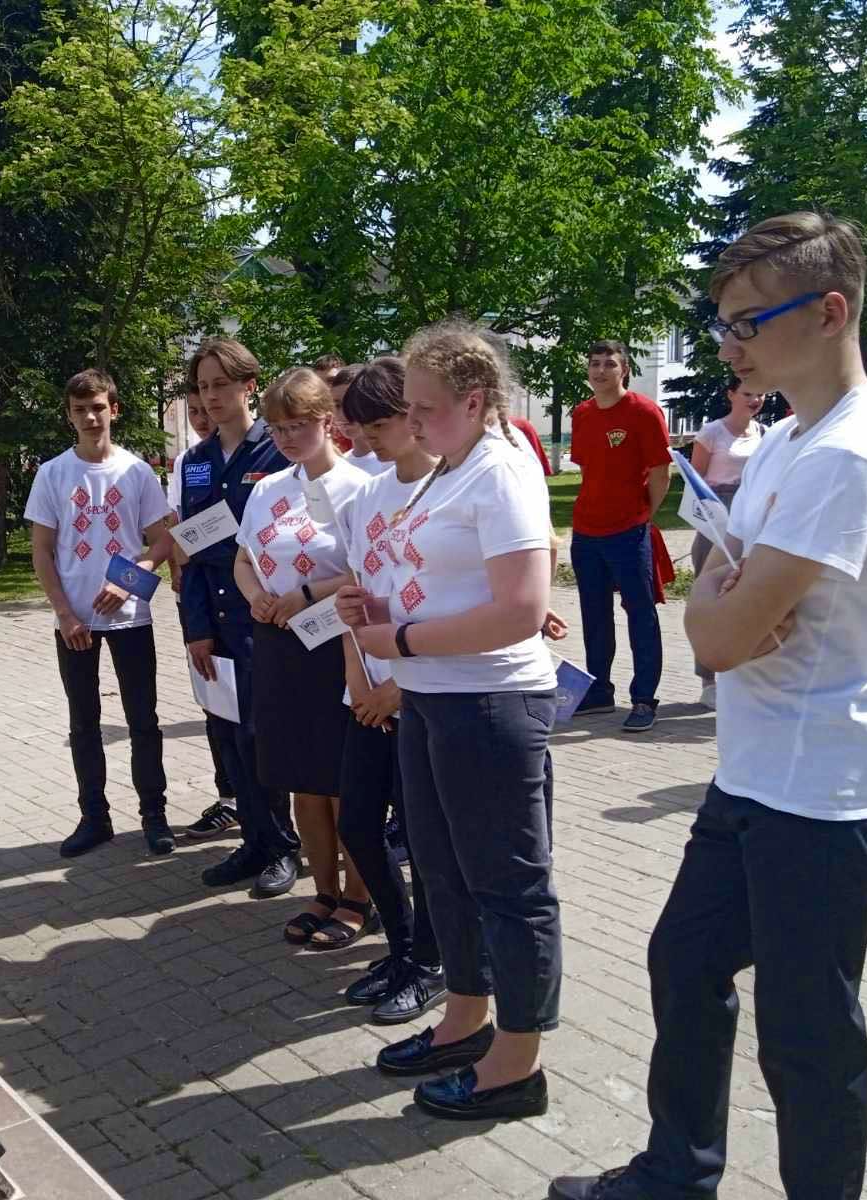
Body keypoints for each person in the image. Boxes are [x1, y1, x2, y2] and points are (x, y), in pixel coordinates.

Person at [550, 212, 867, 1200]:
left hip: (824, 793)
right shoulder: (790, 439)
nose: (729, 346)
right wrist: (723, 599)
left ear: (830, 312)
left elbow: (715, 638)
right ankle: (677, 1173)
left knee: (806, 1038)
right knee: (684, 961)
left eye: (748, 323)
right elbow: (717, 593)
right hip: (755, 774)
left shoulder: (850, 454)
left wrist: (719, 604)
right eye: (723, 324)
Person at [338, 320, 560, 1124]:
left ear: (473, 401)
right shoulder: (447, 472)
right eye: (410, 407)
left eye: (425, 408)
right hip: (434, 697)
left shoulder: (501, 472)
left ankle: (517, 1064)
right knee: (442, 870)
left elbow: (521, 610)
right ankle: (465, 1020)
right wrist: (371, 608)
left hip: (491, 701)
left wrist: (397, 639)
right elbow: (440, 581)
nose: (413, 421)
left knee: (509, 884)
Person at [235, 367, 374, 947]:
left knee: (344, 782)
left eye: (298, 425)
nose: (287, 438)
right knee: (301, 781)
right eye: (277, 428)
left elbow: (369, 569)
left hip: (336, 648)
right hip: (278, 645)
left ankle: (360, 897)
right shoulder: (267, 488)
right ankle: (323, 890)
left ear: (327, 421)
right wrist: (257, 596)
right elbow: (244, 559)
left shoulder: (361, 487)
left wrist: (308, 593)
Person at [333, 356, 447, 1022]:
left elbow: (454, 607)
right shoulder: (365, 499)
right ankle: (402, 947)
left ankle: (433, 962)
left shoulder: (447, 490)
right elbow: (353, 597)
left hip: (423, 694)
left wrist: (397, 691)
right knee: (357, 823)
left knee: (426, 840)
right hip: (368, 691)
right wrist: (358, 680)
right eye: (359, 426)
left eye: (376, 425)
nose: (365, 438)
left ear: (412, 414)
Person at [24, 368, 176, 856]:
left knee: (143, 719)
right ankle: (94, 817)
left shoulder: (136, 471)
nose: (90, 418)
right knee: (83, 722)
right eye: (80, 410)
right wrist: (64, 613)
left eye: (97, 408)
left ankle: (154, 816)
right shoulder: (52, 473)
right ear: (69, 416)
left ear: (114, 409)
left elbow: (162, 541)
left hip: (130, 618)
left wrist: (128, 580)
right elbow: (42, 550)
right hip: (76, 621)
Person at [181, 338, 299, 897]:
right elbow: (190, 551)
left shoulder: (276, 452)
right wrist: (196, 629)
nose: (211, 396)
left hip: (266, 616)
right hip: (218, 618)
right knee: (228, 735)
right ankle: (253, 841)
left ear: (249, 385)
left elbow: (284, 540)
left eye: (221, 384)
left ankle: (282, 846)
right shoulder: (196, 462)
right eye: (203, 387)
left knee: (263, 736)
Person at [568, 341, 671, 731]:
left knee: (640, 614)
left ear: (624, 369)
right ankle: (599, 692)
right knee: (594, 615)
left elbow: (661, 473)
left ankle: (644, 698)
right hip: (586, 531)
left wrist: (642, 515)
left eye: (609, 364)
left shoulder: (644, 411)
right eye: (594, 363)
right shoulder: (582, 413)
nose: (600, 371)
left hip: (628, 532)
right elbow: (588, 470)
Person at [170, 376, 239, 840]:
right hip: (205, 607)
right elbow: (182, 538)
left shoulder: (268, 452)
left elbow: (243, 535)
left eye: (215, 394)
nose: (203, 414)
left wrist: (200, 545)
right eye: (194, 408)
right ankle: (234, 804)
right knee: (219, 712)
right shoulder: (190, 462)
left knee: (259, 724)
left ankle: (276, 830)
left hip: (257, 609)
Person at [687, 381, 766, 708]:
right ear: (731, 395)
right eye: (748, 393)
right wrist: (709, 518)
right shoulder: (712, 433)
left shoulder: (764, 433)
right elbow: (694, 480)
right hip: (716, 518)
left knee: (748, 596)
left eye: (760, 394)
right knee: (710, 596)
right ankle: (707, 680)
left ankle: (744, 675)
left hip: (751, 517)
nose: (755, 399)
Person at [330, 365, 384, 476]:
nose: (344, 414)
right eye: (337, 405)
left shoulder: (390, 463)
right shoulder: (340, 466)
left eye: (351, 403)